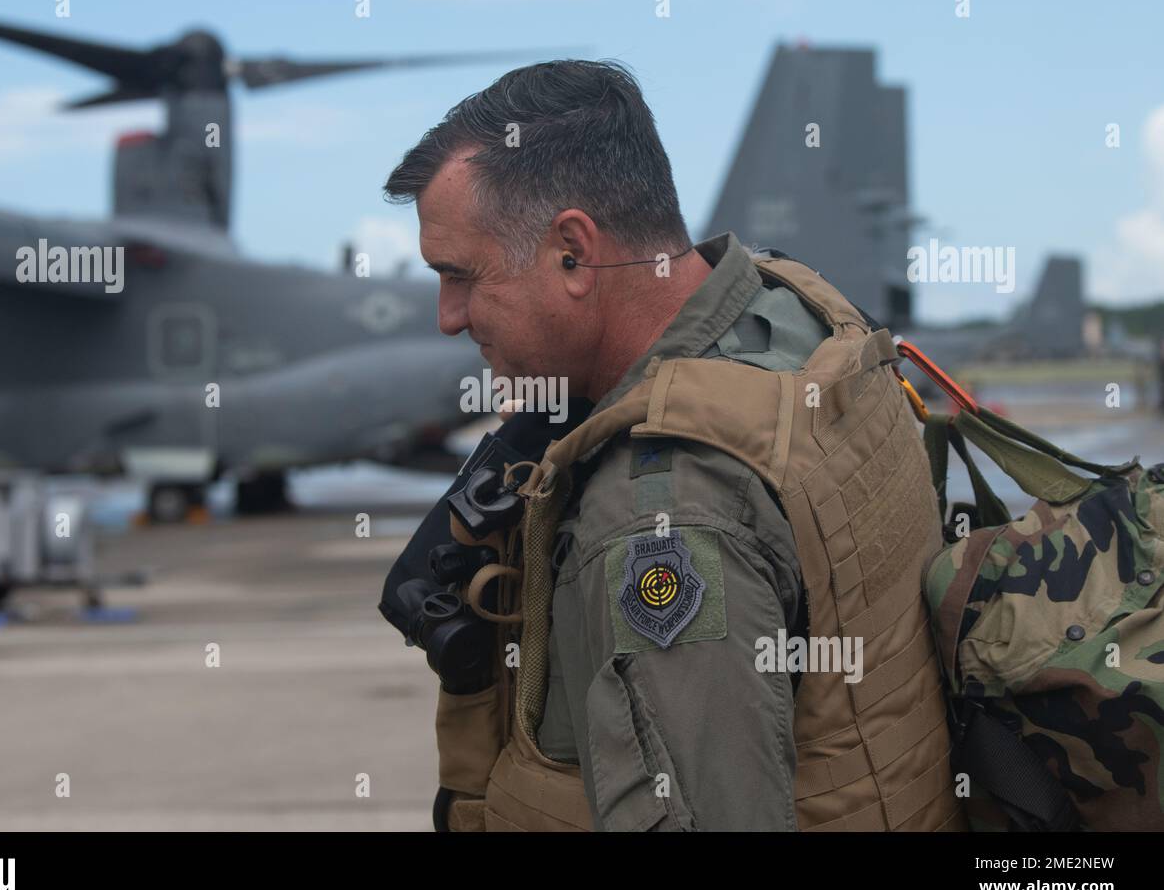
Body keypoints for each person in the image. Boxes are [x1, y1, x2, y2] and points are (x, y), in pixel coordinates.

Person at [383, 59, 962, 831]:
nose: (448, 317)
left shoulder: (665, 509)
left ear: (573, 252)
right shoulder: (792, 317)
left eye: (460, 275)